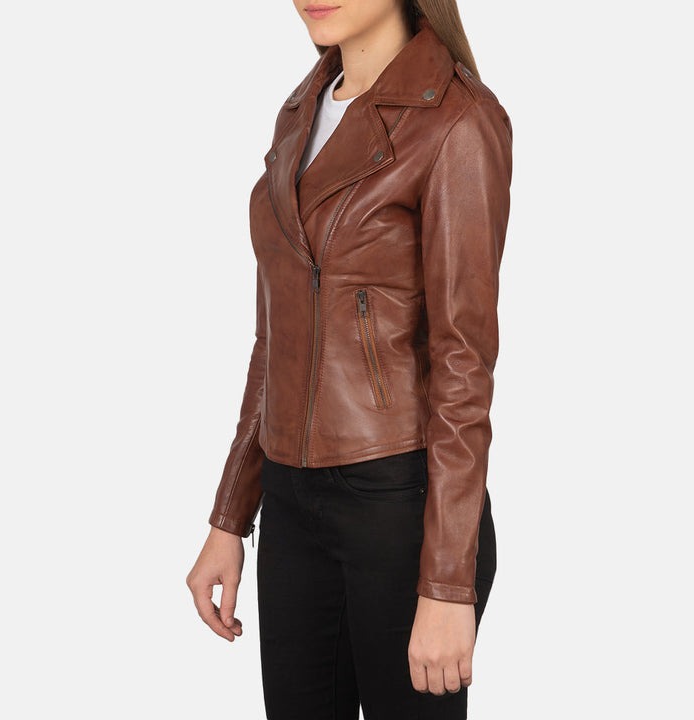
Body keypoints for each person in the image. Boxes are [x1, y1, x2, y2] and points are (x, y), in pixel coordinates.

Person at [186, 1, 512, 717]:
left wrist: (447, 583)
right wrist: (231, 515)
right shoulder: (301, 112)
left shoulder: (456, 120)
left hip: (399, 508)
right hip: (291, 504)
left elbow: (464, 364)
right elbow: (275, 337)